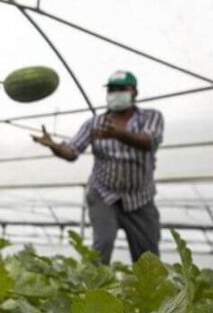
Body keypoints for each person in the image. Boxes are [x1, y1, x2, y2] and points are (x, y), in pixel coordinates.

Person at [32, 70, 165, 264]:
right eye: (112, 90)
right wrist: (54, 146)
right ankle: (94, 282)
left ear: (134, 92)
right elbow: (72, 152)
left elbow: (148, 141)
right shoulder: (94, 123)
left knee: (148, 256)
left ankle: (146, 283)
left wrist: (118, 134)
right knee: (102, 245)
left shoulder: (151, 117)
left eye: (121, 89)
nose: (116, 93)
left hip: (140, 198)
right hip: (104, 194)